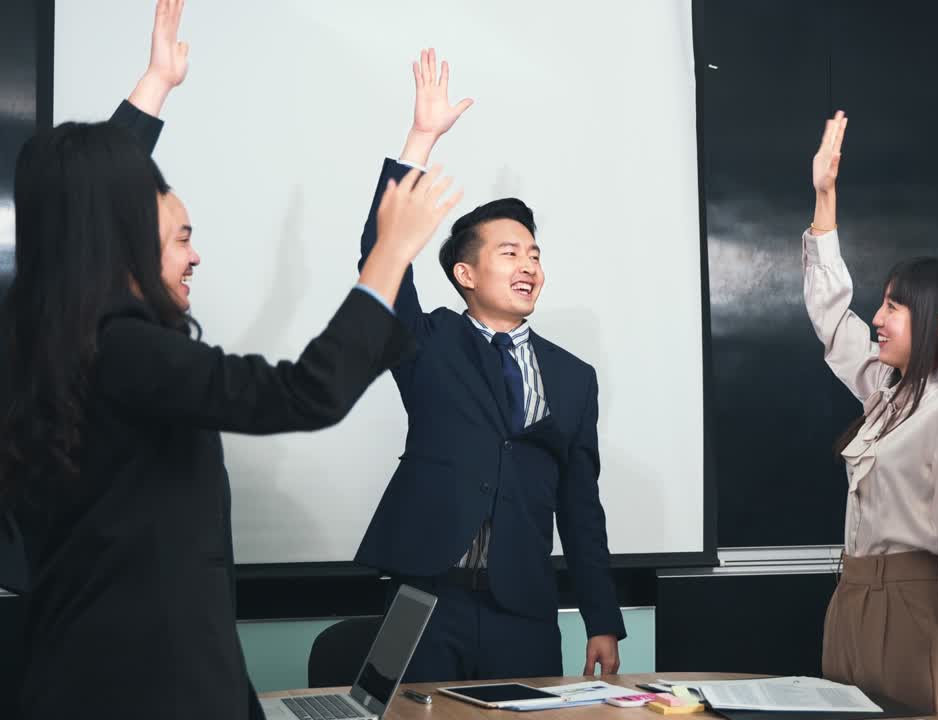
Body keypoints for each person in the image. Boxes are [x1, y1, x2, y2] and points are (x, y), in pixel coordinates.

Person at [0, 3, 462, 718]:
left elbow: (79, 202)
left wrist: (155, 86)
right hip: (143, 691)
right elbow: (307, 392)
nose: (195, 255)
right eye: (180, 235)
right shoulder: (123, 351)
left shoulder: (47, 340)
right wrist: (393, 249)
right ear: (121, 236)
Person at [353, 49, 625, 681]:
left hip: (523, 611)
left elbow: (580, 506)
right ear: (466, 274)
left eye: (534, 254)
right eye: (509, 253)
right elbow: (380, 254)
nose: (528, 265)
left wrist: (602, 618)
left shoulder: (573, 378)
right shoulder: (428, 343)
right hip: (422, 599)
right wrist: (420, 140)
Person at [803, 111, 938, 720]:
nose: (878, 319)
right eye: (881, 304)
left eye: (893, 308)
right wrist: (824, 198)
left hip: (915, 605)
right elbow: (832, 317)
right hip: (853, 594)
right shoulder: (886, 389)